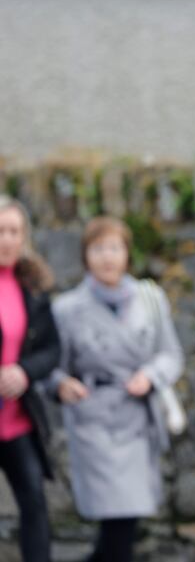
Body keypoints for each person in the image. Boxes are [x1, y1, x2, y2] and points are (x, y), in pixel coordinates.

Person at [49, 217, 183, 562]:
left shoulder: (149, 298)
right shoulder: (66, 309)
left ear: (127, 254)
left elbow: (171, 355)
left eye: (114, 248)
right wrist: (61, 384)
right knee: (116, 520)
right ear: (85, 256)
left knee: (125, 521)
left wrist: (150, 376)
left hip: (137, 419)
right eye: (98, 249)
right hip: (93, 420)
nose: (107, 257)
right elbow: (52, 366)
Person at [0, 195, 60, 562]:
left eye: (14, 231)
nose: (6, 239)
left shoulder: (34, 286)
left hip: (17, 421)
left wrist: (24, 372)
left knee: (35, 503)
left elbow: (52, 349)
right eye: (0, 231)